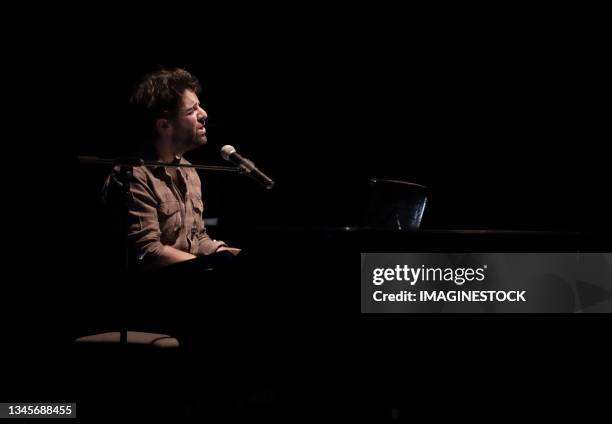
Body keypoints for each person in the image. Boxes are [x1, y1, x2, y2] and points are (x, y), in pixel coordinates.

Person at [103, 68, 240, 272]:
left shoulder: (189, 171)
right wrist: (211, 265)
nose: (204, 114)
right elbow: (147, 251)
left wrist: (226, 253)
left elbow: (197, 239)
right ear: (164, 125)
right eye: (192, 110)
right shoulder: (133, 175)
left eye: (199, 106)